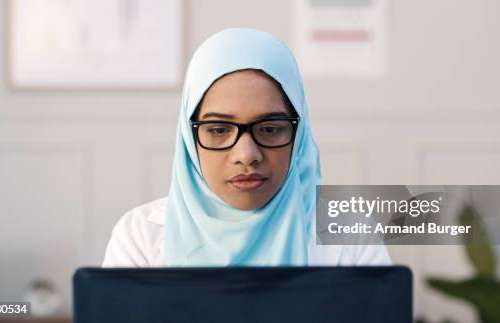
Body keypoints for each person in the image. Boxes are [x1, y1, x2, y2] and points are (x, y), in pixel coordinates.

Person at [102, 28, 391, 267]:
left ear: (299, 133)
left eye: (269, 129)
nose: (247, 156)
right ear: (190, 139)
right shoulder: (141, 235)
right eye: (218, 130)